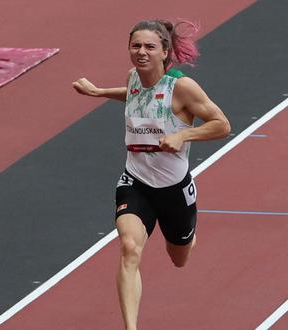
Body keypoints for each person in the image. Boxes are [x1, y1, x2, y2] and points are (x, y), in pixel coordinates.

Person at [72, 19, 230, 330]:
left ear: (164, 52)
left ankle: (187, 236)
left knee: (179, 258)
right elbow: (134, 96)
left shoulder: (182, 88)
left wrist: (183, 137)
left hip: (174, 189)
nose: (141, 52)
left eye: (149, 47)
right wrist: (99, 92)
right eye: (135, 46)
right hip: (136, 182)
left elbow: (222, 124)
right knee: (129, 247)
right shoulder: (133, 78)